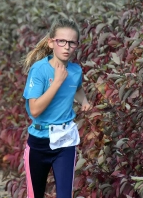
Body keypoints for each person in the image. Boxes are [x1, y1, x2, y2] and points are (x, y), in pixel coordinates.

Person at [22, 18, 91, 198]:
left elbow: (76, 88)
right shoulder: (39, 70)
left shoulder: (76, 71)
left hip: (65, 141)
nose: (67, 47)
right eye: (62, 41)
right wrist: (57, 82)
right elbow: (35, 110)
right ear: (51, 42)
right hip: (39, 142)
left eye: (72, 43)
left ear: (77, 45)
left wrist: (84, 101)